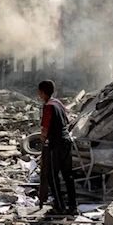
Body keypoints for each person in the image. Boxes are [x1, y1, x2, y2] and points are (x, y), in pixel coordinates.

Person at [37, 79, 77, 215]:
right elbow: (67, 120)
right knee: (68, 175)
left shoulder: (48, 106)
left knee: (52, 176)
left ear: (42, 92)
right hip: (67, 141)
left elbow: (45, 130)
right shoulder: (59, 103)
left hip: (56, 144)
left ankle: (59, 207)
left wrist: (43, 141)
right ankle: (73, 206)